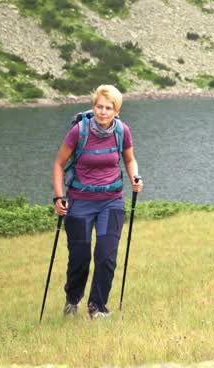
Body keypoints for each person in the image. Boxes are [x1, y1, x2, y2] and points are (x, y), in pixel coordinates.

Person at [51, 84, 143, 319]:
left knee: (106, 255)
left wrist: (135, 177)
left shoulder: (122, 131)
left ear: (117, 111)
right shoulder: (79, 131)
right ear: (93, 107)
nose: (103, 112)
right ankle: (72, 300)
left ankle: (97, 307)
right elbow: (59, 164)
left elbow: (130, 160)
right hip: (80, 202)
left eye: (108, 108)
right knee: (80, 258)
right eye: (99, 107)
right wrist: (59, 196)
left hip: (111, 201)